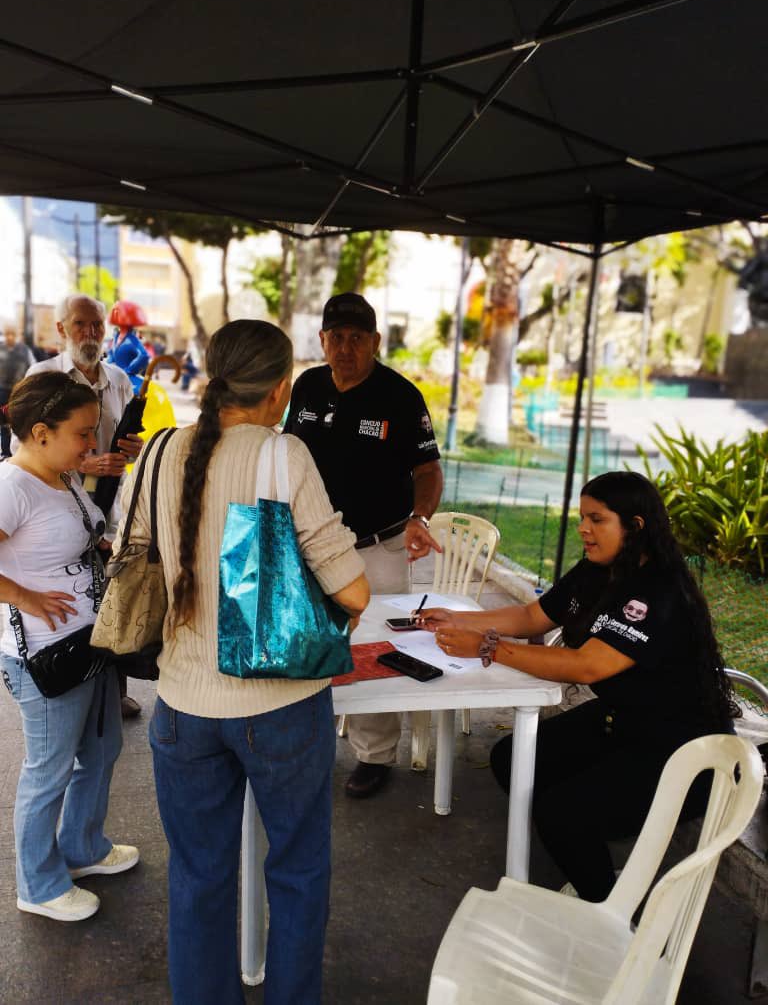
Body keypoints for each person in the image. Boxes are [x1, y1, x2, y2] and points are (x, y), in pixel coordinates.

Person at [114, 319, 369, 1005]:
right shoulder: (284, 456)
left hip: (182, 710)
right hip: (281, 706)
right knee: (297, 869)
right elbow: (353, 590)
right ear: (281, 388)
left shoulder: (160, 451)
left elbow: (131, 553)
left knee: (197, 878)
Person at [418, 471, 737, 902]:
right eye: (582, 517)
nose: (584, 528)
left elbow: (586, 666)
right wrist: (458, 619)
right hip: (624, 721)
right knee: (512, 759)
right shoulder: (598, 568)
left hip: (681, 748)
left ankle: (607, 906)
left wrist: (487, 646)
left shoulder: (657, 591)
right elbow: (535, 616)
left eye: (597, 519)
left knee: (560, 812)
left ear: (636, 526)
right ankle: (589, 855)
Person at [284, 291, 444, 799]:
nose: (346, 348)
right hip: (312, 544)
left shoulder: (400, 395)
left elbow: (428, 468)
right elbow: (287, 454)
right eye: (337, 338)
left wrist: (420, 517)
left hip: (379, 545)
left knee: (375, 650)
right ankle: (307, 744)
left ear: (375, 342)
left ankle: (375, 756)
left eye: (358, 338)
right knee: (309, 644)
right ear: (322, 340)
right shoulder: (307, 386)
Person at [0, 373, 138, 922]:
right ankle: (37, 884)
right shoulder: (13, 485)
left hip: (90, 641)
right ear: (40, 432)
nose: (91, 444)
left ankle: (83, 849)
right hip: (43, 654)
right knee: (48, 769)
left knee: (100, 751)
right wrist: (25, 597)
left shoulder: (60, 476)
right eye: (83, 433)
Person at [25, 294, 145, 719]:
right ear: (61, 329)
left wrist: (133, 449)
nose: (91, 334)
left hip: (111, 509)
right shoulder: (42, 377)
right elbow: (23, 446)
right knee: (76, 597)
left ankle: (115, 688)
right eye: (81, 325)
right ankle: (73, 683)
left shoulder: (118, 379)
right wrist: (85, 462)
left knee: (115, 594)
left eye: (97, 325)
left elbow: (130, 444)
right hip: (59, 504)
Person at [0, 326, 34, 458]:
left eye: (12, 334)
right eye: (7, 333)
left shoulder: (24, 350)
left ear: (17, 335)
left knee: (18, 420)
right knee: (3, 423)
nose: (10, 337)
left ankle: (17, 453)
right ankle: (6, 452)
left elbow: (32, 367)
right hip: (2, 391)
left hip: (19, 391)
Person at [106, 299, 150, 393]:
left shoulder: (132, 339)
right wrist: (108, 366)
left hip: (127, 379)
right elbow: (111, 353)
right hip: (113, 377)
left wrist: (129, 370)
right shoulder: (116, 337)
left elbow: (144, 355)